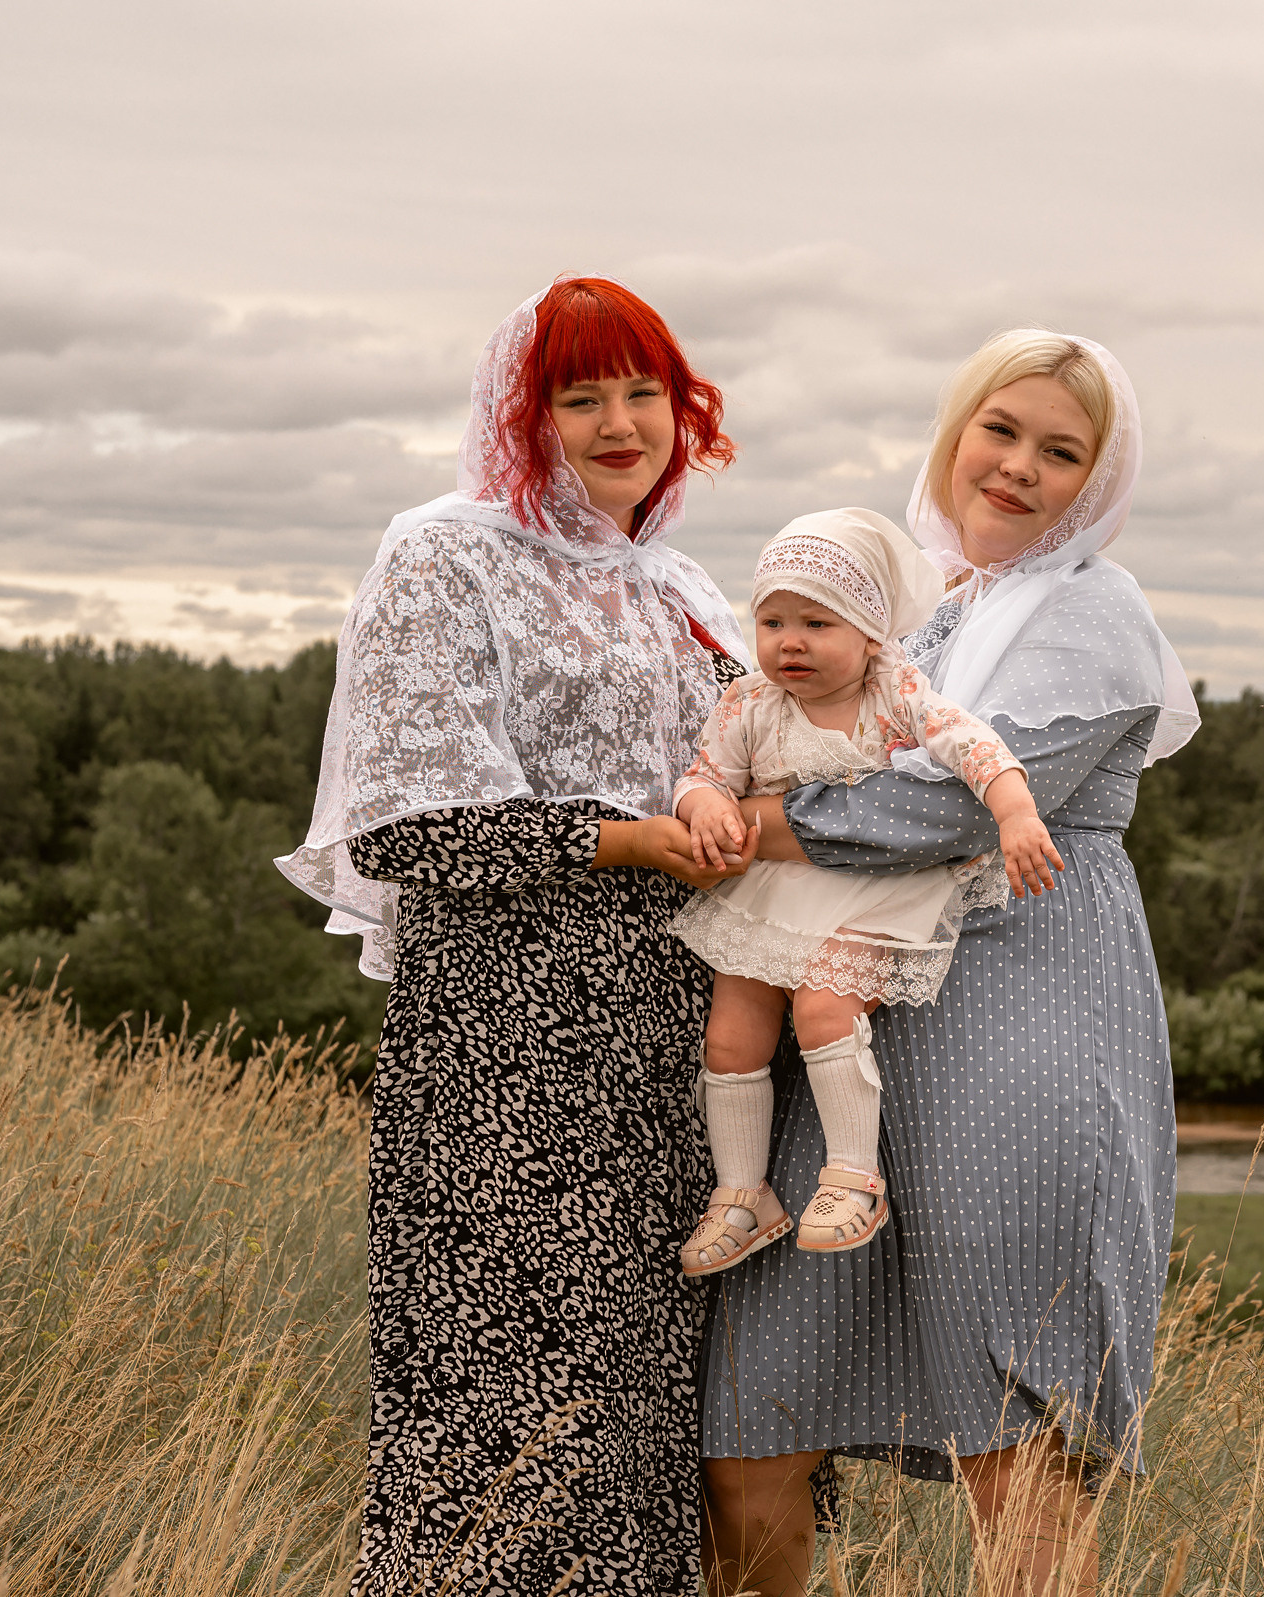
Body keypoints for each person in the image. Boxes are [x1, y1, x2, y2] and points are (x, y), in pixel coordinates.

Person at [699, 330, 1199, 1596]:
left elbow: (951, 810)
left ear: (1096, 481)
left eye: (1061, 451)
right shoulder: (910, 599)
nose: (1020, 467)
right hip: (854, 1011)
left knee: (1008, 1429)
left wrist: (715, 832)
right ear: (957, 431)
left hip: (1019, 1018)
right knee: (756, 1412)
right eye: (1001, 430)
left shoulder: (1095, 611)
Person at [277, 276, 755, 1594]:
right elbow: (408, 827)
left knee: (642, 1432)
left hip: (671, 1060)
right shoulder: (446, 551)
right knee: (498, 1427)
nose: (619, 421)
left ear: (683, 407)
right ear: (520, 415)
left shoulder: (681, 585)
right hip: (507, 1060)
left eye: (643, 390)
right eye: (579, 394)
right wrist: (637, 835)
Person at [671, 507, 1065, 1277]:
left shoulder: (896, 692)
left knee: (824, 1002)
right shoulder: (749, 703)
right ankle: (743, 1193)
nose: (790, 641)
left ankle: (854, 1175)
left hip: (867, 882)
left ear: (870, 633)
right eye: (773, 620)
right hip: (774, 888)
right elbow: (705, 775)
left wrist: (1014, 809)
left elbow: (972, 741)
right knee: (731, 1032)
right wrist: (705, 806)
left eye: (817, 622)